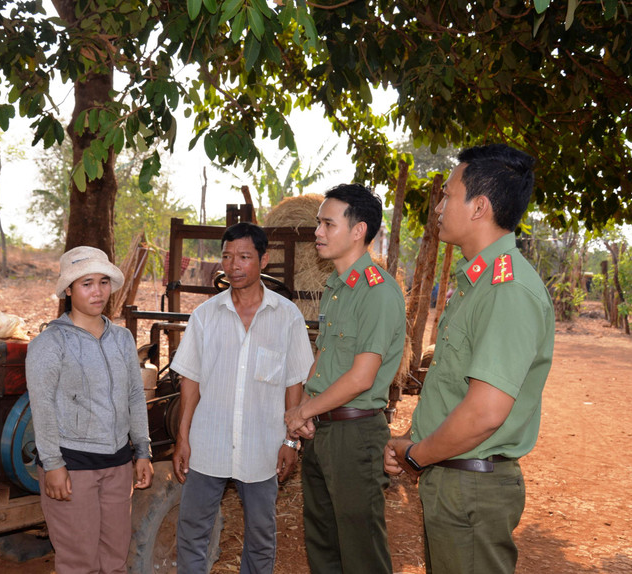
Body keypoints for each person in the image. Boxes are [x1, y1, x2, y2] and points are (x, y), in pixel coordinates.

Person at [384, 144, 555, 574]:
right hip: (455, 479)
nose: (438, 207)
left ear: (479, 207)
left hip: (471, 487)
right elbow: (455, 390)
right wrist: (410, 439)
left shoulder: (506, 289)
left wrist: (417, 455)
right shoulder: (476, 284)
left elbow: (485, 412)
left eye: (447, 195)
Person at [171, 222, 314, 574]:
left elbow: (294, 384)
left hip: (263, 447)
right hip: (208, 444)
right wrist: (183, 437)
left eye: (244, 257)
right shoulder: (205, 316)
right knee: (192, 532)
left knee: (261, 536)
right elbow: (190, 382)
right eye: (227, 256)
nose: (233, 265)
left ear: (263, 260)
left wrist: (290, 443)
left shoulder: (287, 317)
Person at [284, 184, 406, 574]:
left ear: (358, 231)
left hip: (355, 434)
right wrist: (305, 414)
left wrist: (302, 410)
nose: (317, 232)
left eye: (326, 224)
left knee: (360, 550)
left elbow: (361, 377)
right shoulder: (338, 288)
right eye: (319, 223)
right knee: (323, 542)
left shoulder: (377, 291)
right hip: (323, 430)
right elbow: (324, 358)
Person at [26, 246, 153, 574]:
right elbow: (42, 407)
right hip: (73, 465)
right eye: (86, 284)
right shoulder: (50, 344)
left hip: (118, 463)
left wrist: (142, 450)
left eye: (103, 282)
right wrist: (53, 464)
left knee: (114, 557)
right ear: (68, 290)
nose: (98, 291)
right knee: (78, 560)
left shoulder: (122, 339)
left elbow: (135, 398)